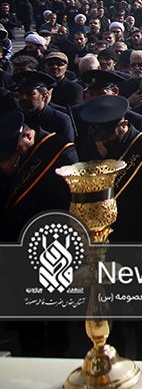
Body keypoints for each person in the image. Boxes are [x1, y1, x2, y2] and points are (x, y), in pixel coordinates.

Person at [75, 94, 142, 360]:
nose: (102, 141)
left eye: (107, 136)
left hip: (139, 238)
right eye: (98, 136)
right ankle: (113, 357)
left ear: (122, 125)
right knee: (109, 305)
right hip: (106, 240)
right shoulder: (91, 146)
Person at [0, 108, 77, 357]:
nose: (15, 156)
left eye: (17, 149)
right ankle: (30, 353)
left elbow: (69, 199)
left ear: (28, 136)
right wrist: (7, 175)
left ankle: (57, 353)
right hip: (17, 240)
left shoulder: (59, 149)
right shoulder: (8, 162)